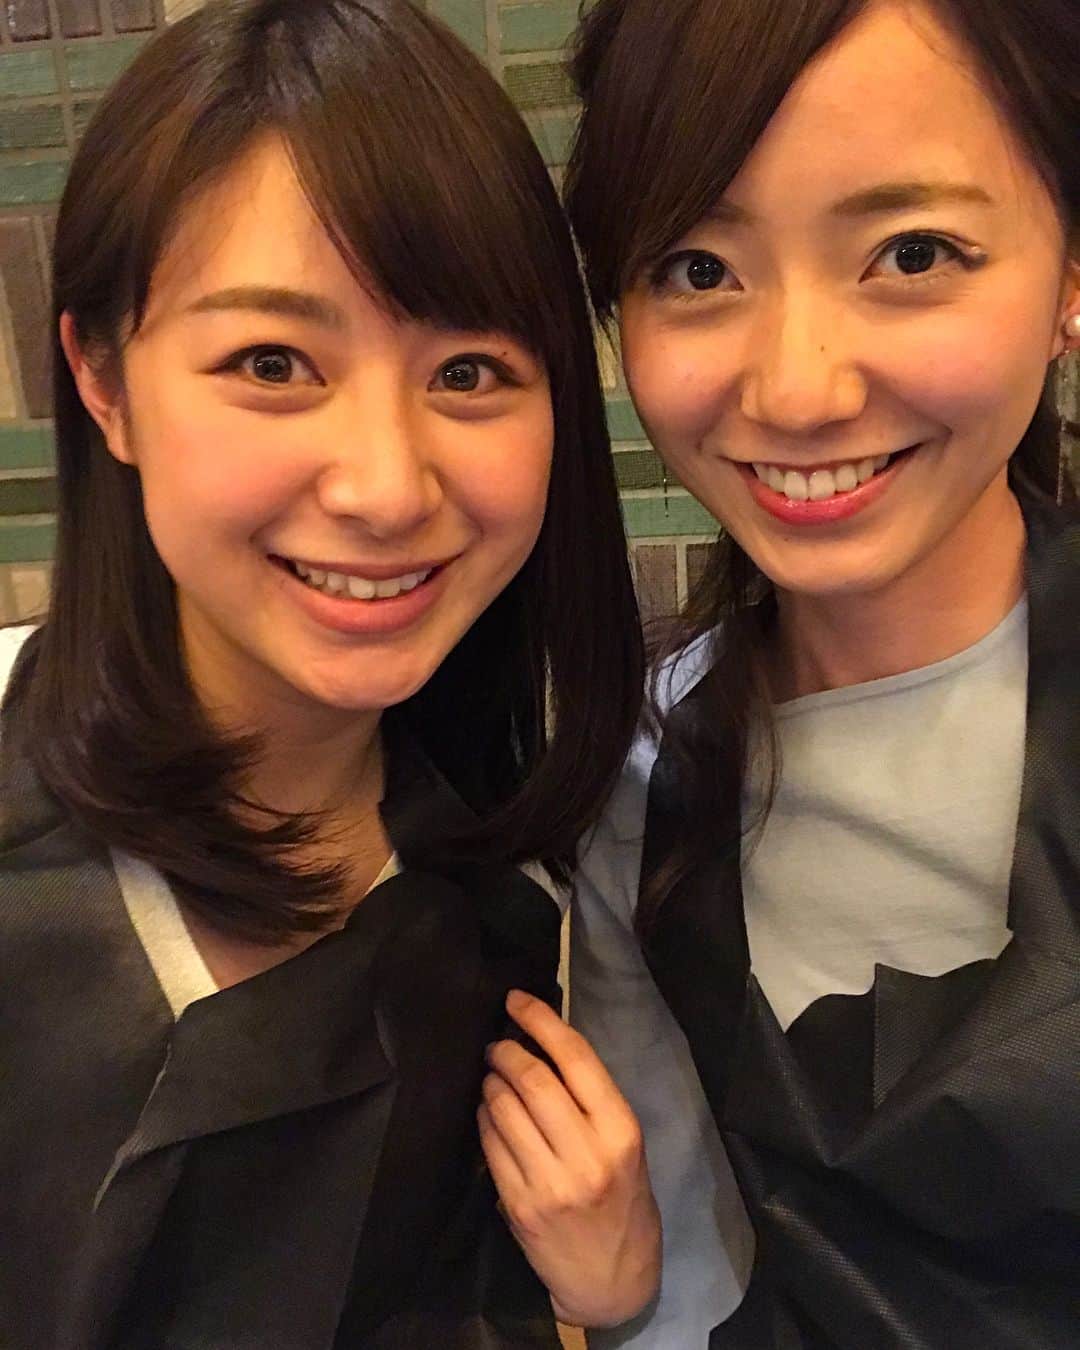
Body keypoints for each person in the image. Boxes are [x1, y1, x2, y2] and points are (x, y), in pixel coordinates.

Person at [0, 2, 661, 1346]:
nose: (385, 487)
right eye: (273, 363)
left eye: (468, 371)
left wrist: (610, 1289)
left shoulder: (528, 882)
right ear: (105, 383)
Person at [565, 0, 1080, 1345]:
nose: (798, 392)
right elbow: (681, 1280)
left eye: (912, 254)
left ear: (1070, 275)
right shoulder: (640, 798)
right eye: (697, 269)